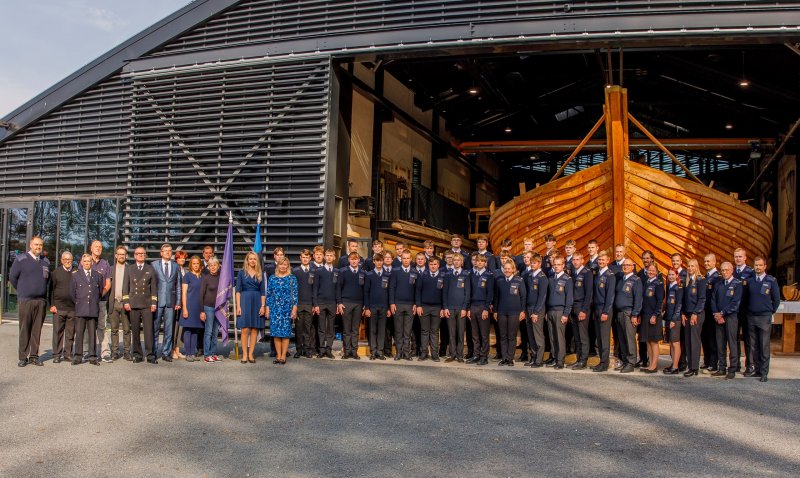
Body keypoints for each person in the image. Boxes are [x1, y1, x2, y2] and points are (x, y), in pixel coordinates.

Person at [10, 236, 50, 367]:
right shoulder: (21, 259)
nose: (38, 247)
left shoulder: (45, 262)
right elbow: (13, 277)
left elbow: (47, 280)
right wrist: (23, 290)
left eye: (40, 245)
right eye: (36, 244)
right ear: (30, 245)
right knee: (24, 329)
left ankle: (34, 356)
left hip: (40, 301)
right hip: (26, 301)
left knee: (36, 331)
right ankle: (23, 357)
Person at [745, 256, 780, 382]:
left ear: (765, 266)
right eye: (756, 265)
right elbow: (746, 299)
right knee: (754, 346)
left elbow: (776, 300)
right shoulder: (750, 281)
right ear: (754, 266)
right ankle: (757, 370)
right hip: (751, 316)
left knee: (764, 345)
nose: (758, 267)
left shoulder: (771, 280)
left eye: (760, 265)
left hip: (764, 317)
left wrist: (770, 311)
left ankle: (764, 373)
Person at [123, 247, 158, 364]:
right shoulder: (129, 269)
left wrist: (154, 303)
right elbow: (125, 286)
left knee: (148, 331)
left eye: (143, 253)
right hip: (133, 303)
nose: (141, 255)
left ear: (145, 255)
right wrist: (126, 302)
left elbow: (154, 288)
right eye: (138, 253)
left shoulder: (150, 268)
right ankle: (137, 354)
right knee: (135, 330)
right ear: (134, 255)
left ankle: (150, 354)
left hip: (147, 303)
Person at [71, 254, 105, 366]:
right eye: (85, 261)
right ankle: (78, 356)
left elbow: (99, 292)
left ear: (92, 262)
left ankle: (92, 357)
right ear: (81, 262)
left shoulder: (97, 275)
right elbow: (72, 293)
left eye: (89, 261)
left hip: (92, 309)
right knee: (79, 334)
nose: (87, 263)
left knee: (92, 334)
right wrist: (79, 303)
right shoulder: (75, 275)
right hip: (81, 308)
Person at [710, 262, 742, 379]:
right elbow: (713, 300)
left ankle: (732, 369)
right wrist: (716, 314)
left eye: (726, 270)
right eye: (722, 270)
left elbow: (735, 303)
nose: (724, 272)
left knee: (732, 344)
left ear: (732, 270)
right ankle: (722, 368)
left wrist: (722, 313)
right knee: (720, 344)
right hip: (718, 318)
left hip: (731, 317)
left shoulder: (737, 284)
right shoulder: (718, 284)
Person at [152, 243, 182, 362]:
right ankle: (154, 352)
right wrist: (152, 301)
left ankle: (166, 353)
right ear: (161, 253)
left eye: (169, 250)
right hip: (157, 301)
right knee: (155, 328)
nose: (168, 252)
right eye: (165, 250)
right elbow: (151, 284)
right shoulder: (154, 265)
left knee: (169, 329)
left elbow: (178, 285)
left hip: (171, 302)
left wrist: (178, 301)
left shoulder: (176, 266)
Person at [493, 261, 526, 366]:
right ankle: (504, 358)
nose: (507, 270)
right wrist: (495, 311)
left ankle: (510, 358)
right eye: (505, 268)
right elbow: (496, 297)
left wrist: (523, 311)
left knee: (511, 336)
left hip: (514, 313)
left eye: (509, 268)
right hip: (502, 312)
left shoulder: (519, 280)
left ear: (513, 269)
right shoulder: (499, 281)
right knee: (503, 336)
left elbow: (523, 297)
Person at [266, 257, 298, 364]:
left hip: (287, 309)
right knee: (276, 333)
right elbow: (269, 294)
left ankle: (283, 356)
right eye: (281, 264)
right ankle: (278, 356)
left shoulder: (292, 278)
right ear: (278, 265)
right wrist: (267, 308)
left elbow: (295, 295)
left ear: (287, 266)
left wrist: (294, 309)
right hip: (275, 309)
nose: (283, 266)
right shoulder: (272, 278)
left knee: (285, 333)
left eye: (285, 264)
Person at [236, 251, 266, 363]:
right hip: (244, 301)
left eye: (254, 259)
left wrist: (263, 306)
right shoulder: (241, 273)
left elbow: (263, 292)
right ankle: (244, 354)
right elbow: (238, 291)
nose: (252, 261)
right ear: (247, 260)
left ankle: (251, 354)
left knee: (254, 329)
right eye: (250, 259)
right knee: (244, 329)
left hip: (257, 301)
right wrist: (238, 306)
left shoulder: (260, 273)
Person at [613, 259, 642, 373]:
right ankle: (625, 361)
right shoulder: (621, 279)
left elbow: (638, 299)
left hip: (629, 313)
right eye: (624, 265)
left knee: (629, 339)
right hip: (619, 313)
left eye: (628, 265)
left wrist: (635, 314)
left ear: (633, 267)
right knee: (622, 339)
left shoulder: (636, 280)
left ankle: (631, 362)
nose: (625, 267)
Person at [545, 256, 573, 369]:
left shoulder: (567, 279)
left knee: (559, 337)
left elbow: (569, 298)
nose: (556, 266)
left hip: (560, 311)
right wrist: (546, 311)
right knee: (552, 336)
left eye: (558, 264)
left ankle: (560, 361)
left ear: (563, 265)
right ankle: (554, 357)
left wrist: (566, 314)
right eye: (554, 264)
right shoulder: (551, 278)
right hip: (550, 311)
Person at [337, 252, 365, 359]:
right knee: (346, 329)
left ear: (359, 260)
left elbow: (365, 290)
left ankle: (354, 352)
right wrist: (339, 303)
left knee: (355, 329)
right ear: (349, 260)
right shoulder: (343, 271)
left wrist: (364, 305)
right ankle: (347, 351)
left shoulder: (363, 273)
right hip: (346, 303)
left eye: (356, 259)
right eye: (352, 259)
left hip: (358, 304)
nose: (354, 261)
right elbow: (338, 288)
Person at [416, 257, 445, 361]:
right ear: (428, 265)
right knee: (424, 331)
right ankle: (423, 353)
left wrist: (443, 308)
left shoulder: (443, 276)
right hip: (424, 307)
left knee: (435, 331)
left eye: (435, 264)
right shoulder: (422, 276)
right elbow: (418, 291)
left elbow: (444, 293)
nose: (433, 266)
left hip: (437, 308)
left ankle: (434, 354)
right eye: (431, 264)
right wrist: (418, 305)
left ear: (438, 265)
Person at [443, 253, 470, 362]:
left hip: (461, 308)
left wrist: (464, 308)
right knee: (451, 332)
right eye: (455, 260)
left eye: (459, 260)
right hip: (450, 308)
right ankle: (452, 354)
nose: (456, 262)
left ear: (462, 262)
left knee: (460, 332)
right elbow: (444, 292)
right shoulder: (448, 275)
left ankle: (460, 355)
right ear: (452, 261)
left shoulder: (466, 275)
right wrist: (445, 307)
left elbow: (467, 293)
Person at [50, 251, 76, 364]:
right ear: (61, 260)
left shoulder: (76, 272)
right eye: (65, 259)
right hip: (58, 308)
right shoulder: (56, 272)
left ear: (72, 260)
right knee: (57, 332)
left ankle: (67, 354)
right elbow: (51, 289)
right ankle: (56, 355)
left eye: (69, 259)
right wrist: (52, 305)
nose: (67, 261)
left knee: (70, 333)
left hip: (72, 308)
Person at [467, 254, 494, 365]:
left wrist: (486, 308)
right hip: (473, 306)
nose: (479, 263)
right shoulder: (472, 275)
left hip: (483, 307)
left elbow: (490, 293)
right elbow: (469, 292)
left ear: (485, 263)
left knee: (484, 334)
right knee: (475, 334)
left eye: (482, 261)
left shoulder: (489, 275)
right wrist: (468, 308)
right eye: (477, 261)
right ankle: (476, 355)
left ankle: (484, 356)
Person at [389, 250, 416, 361]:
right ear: (401, 259)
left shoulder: (414, 272)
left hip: (410, 305)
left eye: (407, 258)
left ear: (411, 259)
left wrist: (416, 303)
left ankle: (406, 353)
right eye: (404, 258)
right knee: (398, 330)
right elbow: (391, 287)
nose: (405, 260)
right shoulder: (395, 271)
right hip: (398, 305)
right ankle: (399, 353)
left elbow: (417, 289)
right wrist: (392, 303)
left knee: (407, 331)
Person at [682, 259, 707, 377]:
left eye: (693, 266)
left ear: (697, 267)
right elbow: (683, 299)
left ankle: (694, 367)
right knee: (688, 341)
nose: (690, 268)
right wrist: (682, 313)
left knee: (694, 341)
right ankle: (690, 365)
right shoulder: (686, 281)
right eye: (689, 266)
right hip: (687, 314)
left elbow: (702, 299)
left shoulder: (700, 280)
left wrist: (695, 313)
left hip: (696, 314)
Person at [592, 250, 616, 372]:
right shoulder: (598, 274)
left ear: (607, 261)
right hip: (597, 309)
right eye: (599, 260)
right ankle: (601, 360)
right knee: (599, 337)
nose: (601, 261)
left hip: (604, 309)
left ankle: (604, 363)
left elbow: (610, 296)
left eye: (603, 260)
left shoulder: (610, 276)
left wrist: (606, 312)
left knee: (604, 337)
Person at [568, 252, 593, 369]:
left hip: (582, 307)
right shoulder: (573, 273)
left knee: (583, 336)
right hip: (573, 307)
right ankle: (578, 359)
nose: (575, 262)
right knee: (576, 336)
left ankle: (583, 360)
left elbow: (589, 293)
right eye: (573, 260)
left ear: (582, 260)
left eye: (577, 259)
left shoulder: (587, 273)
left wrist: (584, 310)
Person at [523, 253, 548, 368]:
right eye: (531, 263)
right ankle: (533, 357)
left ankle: (539, 360)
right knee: (531, 335)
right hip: (528, 308)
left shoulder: (542, 277)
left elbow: (542, 296)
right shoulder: (529, 275)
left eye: (534, 263)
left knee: (538, 335)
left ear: (539, 263)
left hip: (537, 309)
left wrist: (536, 312)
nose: (532, 264)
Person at [89, 240, 113, 362]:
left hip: (101, 301)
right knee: (87, 327)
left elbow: (108, 284)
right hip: (87, 302)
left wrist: (99, 294)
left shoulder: (105, 264)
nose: (98, 248)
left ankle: (105, 353)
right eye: (96, 246)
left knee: (102, 327)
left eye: (100, 247)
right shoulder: (85, 261)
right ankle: (87, 352)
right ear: (91, 248)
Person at [364, 252, 390, 360]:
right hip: (372, 307)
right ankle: (373, 352)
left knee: (381, 330)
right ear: (374, 262)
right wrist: (367, 308)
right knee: (372, 330)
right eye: (377, 261)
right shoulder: (369, 274)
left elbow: (389, 292)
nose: (379, 263)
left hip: (384, 307)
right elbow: (366, 292)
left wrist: (388, 308)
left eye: (381, 261)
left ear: (383, 262)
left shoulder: (387, 275)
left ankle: (380, 351)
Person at [732, 248, 755, 373]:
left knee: (748, 339)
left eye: (740, 256)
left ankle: (749, 365)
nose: (738, 259)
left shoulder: (750, 272)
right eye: (736, 256)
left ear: (745, 258)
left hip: (746, 311)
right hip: (734, 311)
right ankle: (735, 364)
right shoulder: (731, 271)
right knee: (734, 338)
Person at [312, 248, 338, 359]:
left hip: (332, 303)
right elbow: (315, 288)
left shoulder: (337, 271)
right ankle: (322, 349)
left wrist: (338, 303)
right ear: (324, 257)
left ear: (334, 257)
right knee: (321, 327)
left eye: (331, 255)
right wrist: (316, 304)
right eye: (327, 255)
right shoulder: (319, 271)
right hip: (321, 303)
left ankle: (329, 349)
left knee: (331, 328)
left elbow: (338, 289)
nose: (329, 257)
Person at [639, 264, 665, 373]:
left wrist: (655, 315)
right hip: (646, 315)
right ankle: (650, 364)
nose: (651, 272)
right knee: (648, 341)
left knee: (654, 342)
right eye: (649, 270)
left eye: (653, 270)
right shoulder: (646, 282)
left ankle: (654, 366)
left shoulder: (658, 284)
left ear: (657, 272)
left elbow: (660, 301)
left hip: (654, 316)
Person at [108, 246, 131, 360]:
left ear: (125, 256)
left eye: (123, 254)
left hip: (125, 303)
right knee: (114, 329)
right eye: (119, 254)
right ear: (116, 255)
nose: (121, 256)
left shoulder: (130, 269)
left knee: (126, 329)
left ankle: (127, 352)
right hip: (114, 303)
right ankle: (115, 351)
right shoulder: (110, 269)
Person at [180, 256, 204, 362]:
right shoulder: (187, 276)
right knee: (188, 329)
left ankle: (193, 353)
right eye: (194, 263)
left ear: (200, 265)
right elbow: (184, 293)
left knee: (195, 330)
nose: (196, 265)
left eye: (197, 263)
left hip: (199, 306)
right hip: (189, 305)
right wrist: (185, 308)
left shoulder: (202, 277)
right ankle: (188, 353)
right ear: (191, 265)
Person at [292, 249, 315, 358]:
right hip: (298, 304)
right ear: (300, 258)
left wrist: (314, 304)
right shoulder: (295, 271)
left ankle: (307, 349)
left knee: (308, 328)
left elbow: (315, 289)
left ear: (310, 258)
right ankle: (298, 349)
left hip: (309, 303)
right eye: (303, 257)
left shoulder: (314, 271)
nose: (305, 259)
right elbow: (292, 289)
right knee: (298, 328)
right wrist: (294, 305)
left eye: (307, 257)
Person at [200, 257, 223, 363]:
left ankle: (214, 353)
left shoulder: (221, 278)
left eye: (215, 265)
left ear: (218, 266)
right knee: (208, 331)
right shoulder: (206, 278)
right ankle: (207, 354)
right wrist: (202, 311)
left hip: (218, 308)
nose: (213, 267)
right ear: (208, 267)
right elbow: (201, 295)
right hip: (208, 308)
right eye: (211, 265)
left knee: (215, 332)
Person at [701, 254, 721, 371]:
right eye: (705, 261)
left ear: (714, 262)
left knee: (712, 338)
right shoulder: (705, 276)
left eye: (708, 261)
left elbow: (716, 297)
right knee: (705, 337)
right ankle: (707, 360)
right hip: (704, 312)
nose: (706, 263)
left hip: (712, 312)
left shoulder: (717, 278)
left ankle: (713, 363)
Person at [662, 269, 683, 374]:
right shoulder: (669, 287)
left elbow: (678, 305)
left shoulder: (678, 288)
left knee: (675, 343)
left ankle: (675, 367)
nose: (670, 276)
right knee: (671, 343)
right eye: (669, 275)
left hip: (675, 319)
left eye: (673, 274)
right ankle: (673, 363)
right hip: (668, 318)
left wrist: (674, 319)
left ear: (677, 275)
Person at [171, 250, 189, 360]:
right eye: (180, 257)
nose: (182, 259)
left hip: (184, 302)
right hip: (175, 302)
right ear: (176, 259)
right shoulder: (173, 269)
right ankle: (172, 349)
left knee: (181, 326)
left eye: (183, 257)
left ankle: (178, 349)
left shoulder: (186, 271)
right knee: (174, 326)